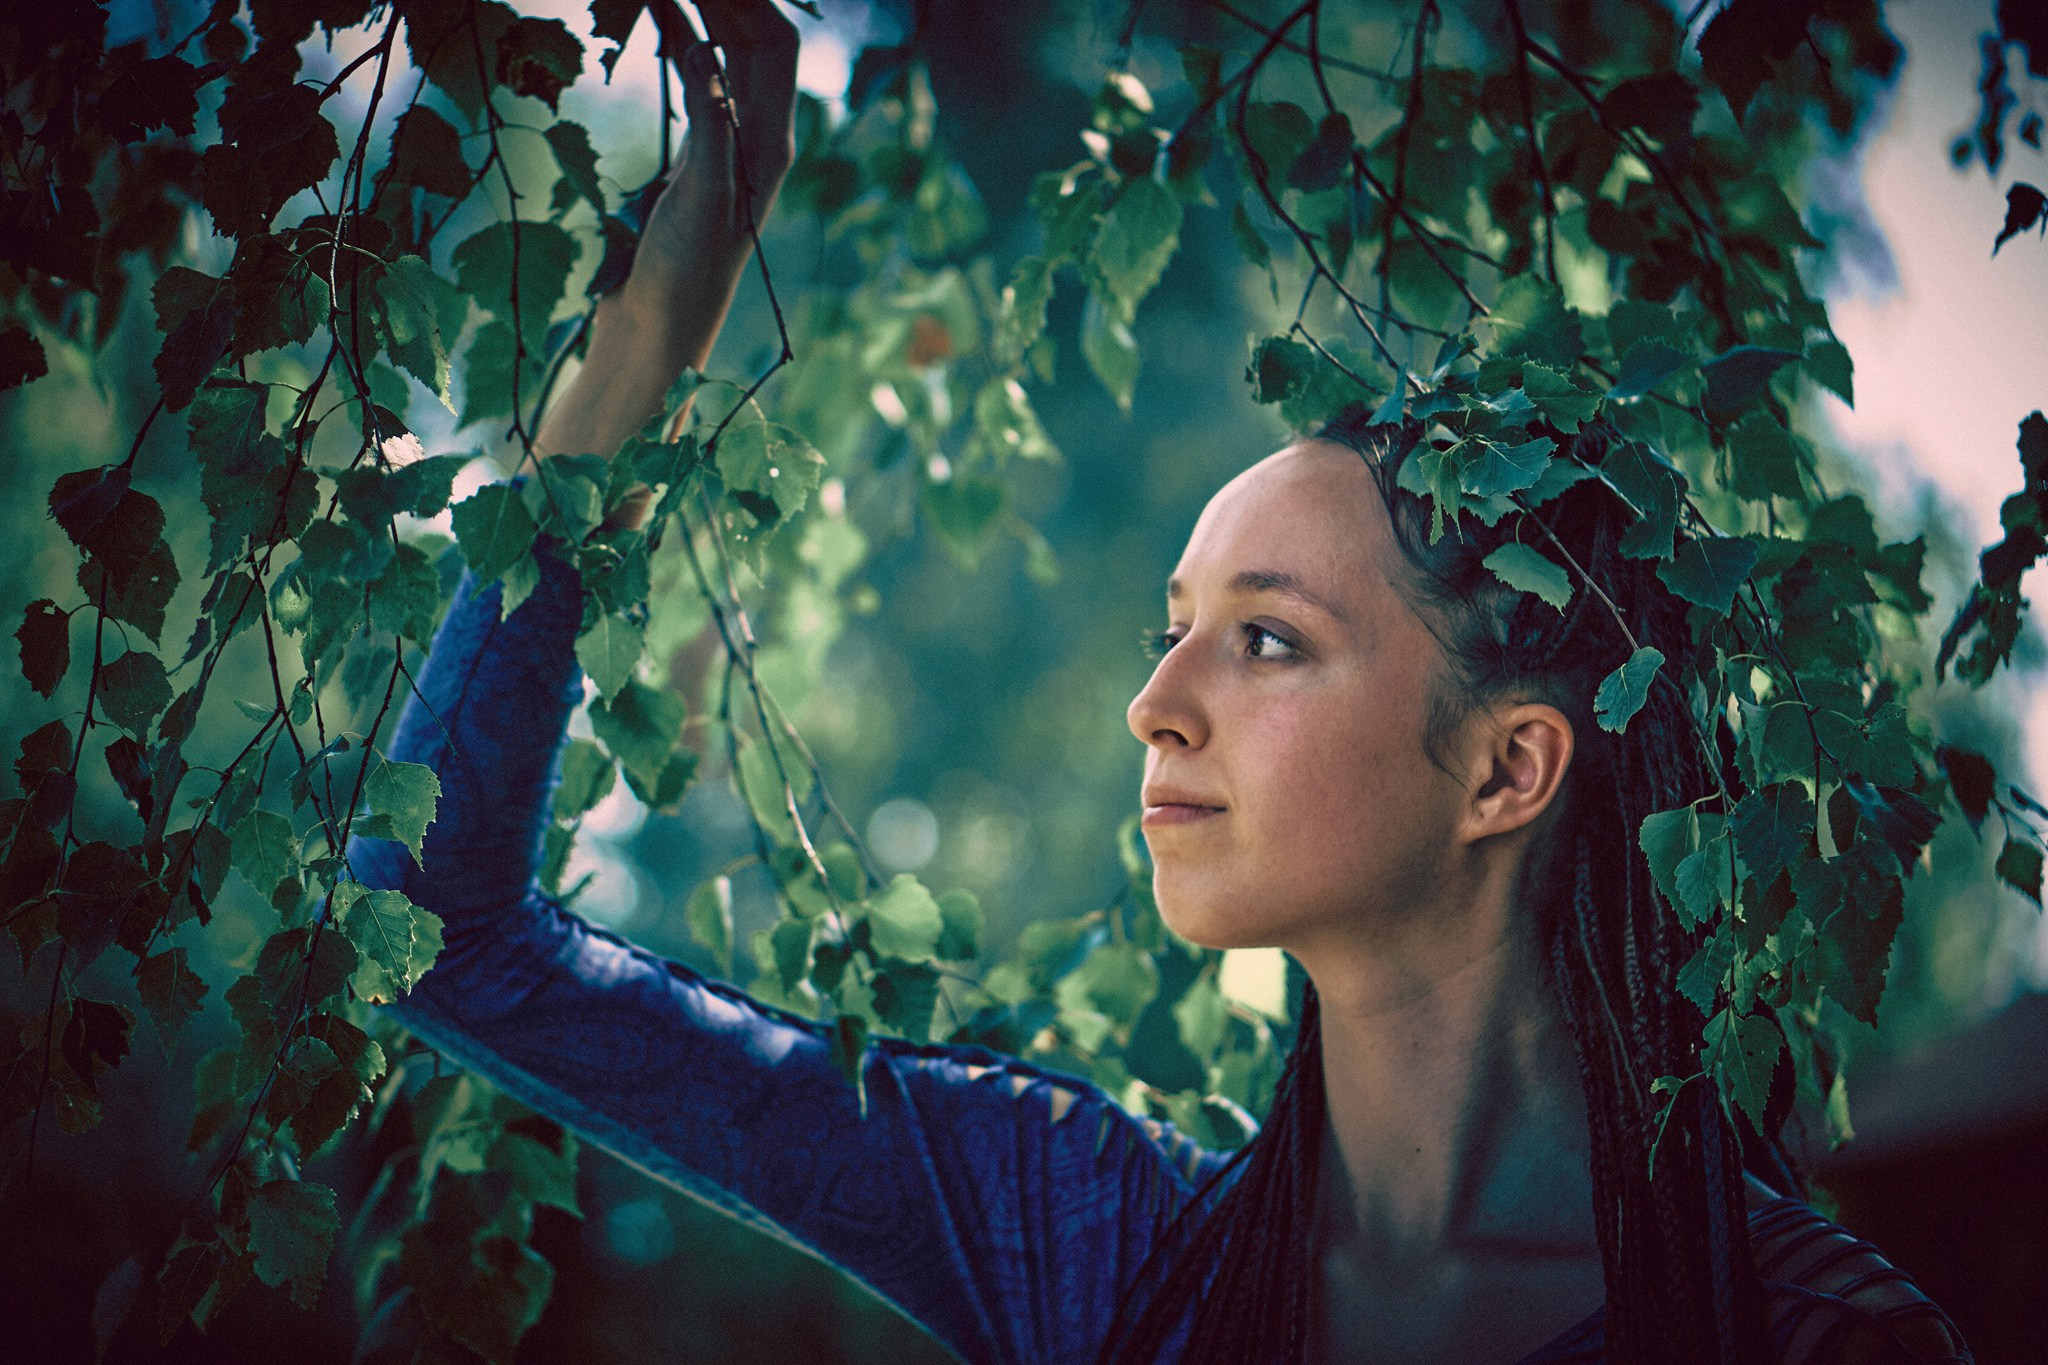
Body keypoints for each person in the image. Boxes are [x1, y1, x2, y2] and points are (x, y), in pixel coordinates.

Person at [353, 4, 1972, 1362]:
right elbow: (443, 930)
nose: (1157, 703)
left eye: (1265, 638)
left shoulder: (1809, 1331)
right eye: (1171, 629)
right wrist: (627, 378)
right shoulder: (1091, 1237)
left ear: (1507, 769)